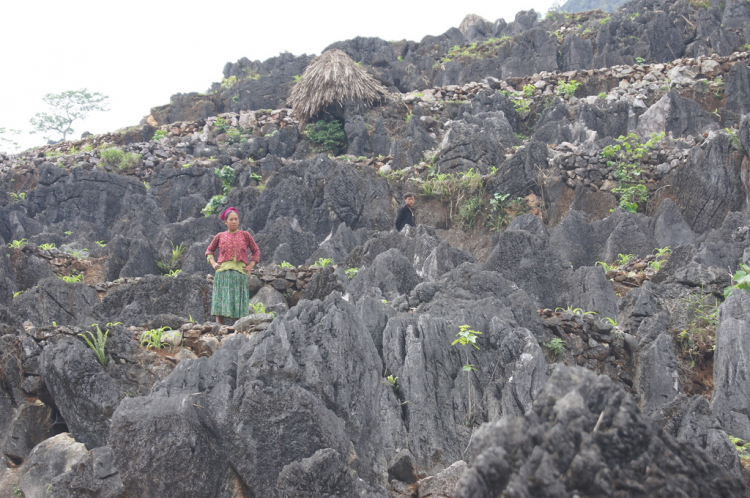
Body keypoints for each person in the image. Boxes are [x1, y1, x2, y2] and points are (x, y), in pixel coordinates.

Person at [205, 207, 261, 324]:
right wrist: (214, 263)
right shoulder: (220, 236)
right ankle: (219, 328)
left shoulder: (245, 235)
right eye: (231, 219)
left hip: (239, 274)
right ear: (226, 222)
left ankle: (239, 328)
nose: (234, 221)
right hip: (223, 274)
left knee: (238, 302)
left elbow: (256, 250)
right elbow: (209, 250)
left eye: (236, 219)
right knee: (221, 301)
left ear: (239, 221)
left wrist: (251, 264)